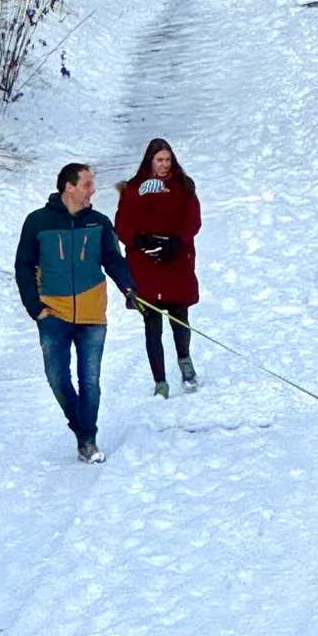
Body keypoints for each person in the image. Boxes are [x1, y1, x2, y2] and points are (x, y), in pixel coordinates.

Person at [15, 162, 136, 464]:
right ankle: (81, 429)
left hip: (92, 314)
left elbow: (113, 260)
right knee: (57, 378)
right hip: (52, 313)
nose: (92, 190)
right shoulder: (37, 222)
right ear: (69, 188)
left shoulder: (98, 222)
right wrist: (35, 307)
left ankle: (88, 440)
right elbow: (24, 267)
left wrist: (130, 290)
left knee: (90, 379)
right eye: (87, 184)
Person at [115, 138, 201, 398]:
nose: (164, 165)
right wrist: (139, 241)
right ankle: (160, 380)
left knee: (179, 317)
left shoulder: (184, 187)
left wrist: (177, 242)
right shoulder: (132, 189)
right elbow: (122, 225)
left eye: (167, 160)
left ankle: (185, 364)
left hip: (176, 261)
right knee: (152, 323)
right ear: (150, 162)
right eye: (159, 160)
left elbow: (193, 221)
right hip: (145, 265)